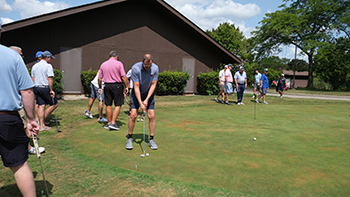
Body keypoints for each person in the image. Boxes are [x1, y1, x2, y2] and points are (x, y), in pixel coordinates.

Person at [0, 23, 40, 197]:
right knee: (19, 164)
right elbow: (27, 91)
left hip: (6, 117)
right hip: (7, 118)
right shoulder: (12, 56)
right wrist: (31, 119)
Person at [10, 46, 45, 155]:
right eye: (20, 55)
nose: (22, 57)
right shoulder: (15, 65)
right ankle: (28, 148)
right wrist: (31, 118)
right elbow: (27, 91)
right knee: (22, 125)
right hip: (13, 103)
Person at [126, 54, 159, 150]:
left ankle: (151, 139)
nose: (147, 68)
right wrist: (141, 103)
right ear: (142, 61)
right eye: (145, 66)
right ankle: (130, 137)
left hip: (149, 93)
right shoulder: (135, 68)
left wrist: (147, 99)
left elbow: (153, 85)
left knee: (151, 115)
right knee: (133, 115)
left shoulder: (155, 68)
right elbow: (135, 87)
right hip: (137, 94)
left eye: (149, 66)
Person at [98, 51, 129, 130]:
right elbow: (124, 77)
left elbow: (99, 78)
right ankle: (113, 122)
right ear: (116, 57)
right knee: (118, 104)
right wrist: (127, 86)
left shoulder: (103, 64)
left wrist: (100, 87)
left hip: (107, 86)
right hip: (117, 85)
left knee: (108, 104)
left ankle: (109, 123)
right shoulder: (119, 63)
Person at [31, 50, 59, 131]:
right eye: (50, 58)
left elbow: (33, 78)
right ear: (47, 57)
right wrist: (51, 90)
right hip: (45, 88)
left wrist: (34, 88)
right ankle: (41, 121)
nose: (51, 60)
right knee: (54, 104)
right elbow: (50, 78)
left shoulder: (35, 66)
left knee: (41, 105)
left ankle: (41, 125)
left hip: (36, 87)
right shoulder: (48, 66)